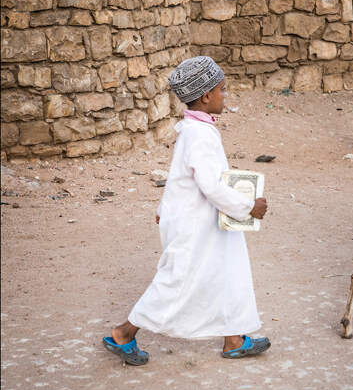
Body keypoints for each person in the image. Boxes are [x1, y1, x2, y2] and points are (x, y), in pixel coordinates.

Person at [103, 56, 270, 365]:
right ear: (205, 96)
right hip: (196, 227)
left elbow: (180, 176)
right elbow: (211, 186)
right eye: (222, 90)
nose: (225, 96)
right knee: (176, 281)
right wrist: (249, 207)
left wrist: (163, 206)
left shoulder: (194, 130)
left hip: (206, 222)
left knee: (229, 272)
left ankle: (233, 338)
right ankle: (124, 333)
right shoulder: (199, 135)